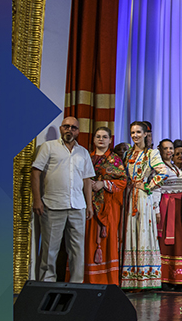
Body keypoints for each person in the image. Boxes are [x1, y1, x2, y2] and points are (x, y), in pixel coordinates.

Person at [31, 117, 95, 282]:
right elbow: (36, 172)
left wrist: (89, 205)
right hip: (53, 205)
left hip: (78, 206)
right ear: (61, 129)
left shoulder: (83, 152)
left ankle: (76, 284)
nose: (69, 130)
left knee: (77, 249)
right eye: (66, 126)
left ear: (78, 131)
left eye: (73, 127)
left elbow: (87, 180)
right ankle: (47, 283)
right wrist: (37, 199)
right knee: (50, 249)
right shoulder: (48, 147)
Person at [120, 121, 171, 290]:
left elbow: (163, 172)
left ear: (145, 134)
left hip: (142, 197)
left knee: (142, 232)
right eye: (132, 132)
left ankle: (144, 278)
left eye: (138, 132)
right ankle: (130, 278)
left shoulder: (151, 153)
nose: (135, 135)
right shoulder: (127, 153)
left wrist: (148, 186)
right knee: (129, 232)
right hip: (128, 195)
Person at [86, 127, 126, 285]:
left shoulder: (115, 160)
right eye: (98, 136)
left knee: (108, 239)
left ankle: (107, 280)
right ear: (93, 139)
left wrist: (103, 184)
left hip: (109, 205)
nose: (101, 139)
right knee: (88, 239)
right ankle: (88, 278)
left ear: (110, 140)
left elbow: (122, 181)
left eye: (104, 137)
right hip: (88, 203)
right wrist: (88, 184)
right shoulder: (87, 157)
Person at [156, 139, 182, 288]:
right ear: (160, 150)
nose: (169, 151)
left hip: (177, 206)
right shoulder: (159, 167)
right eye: (166, 149)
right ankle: (164, 278)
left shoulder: (174, 167)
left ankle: (177, 277)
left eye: (171, 148)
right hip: (166, 206)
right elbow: (156, 188)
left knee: (178, 240)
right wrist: (156, 209)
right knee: (165, 241)